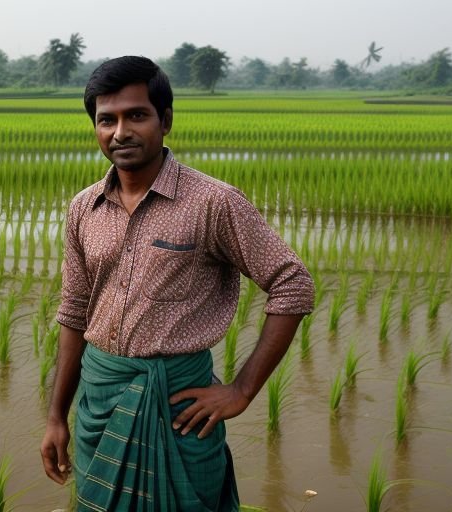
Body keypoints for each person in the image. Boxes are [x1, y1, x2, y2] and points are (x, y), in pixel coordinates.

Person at [40, 56, 314, 512]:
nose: (120, 132)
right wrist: (55, 417)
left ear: (165, 121)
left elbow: (293, 283)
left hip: (180, 412)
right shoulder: (84, 208)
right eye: (107, 120)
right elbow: (74, 310)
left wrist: (242, 390)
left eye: (137, 115)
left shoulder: (212, 202)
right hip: (101, 404)